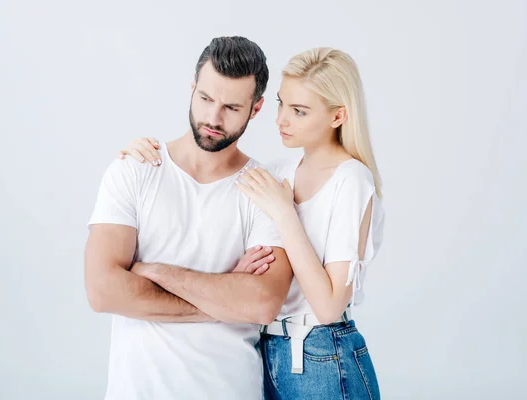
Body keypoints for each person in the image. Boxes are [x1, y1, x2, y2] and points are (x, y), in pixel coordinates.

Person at [119, 47, 385, 399]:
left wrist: (285, 214)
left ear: (338, 117)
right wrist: (145, 152)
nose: (281, 120)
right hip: (270, 352)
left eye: (299, 111)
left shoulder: (351, 180)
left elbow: (330, 305)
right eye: (281, 104)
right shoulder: (276, 173)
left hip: (325, 355)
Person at [85, 36, 293, 400]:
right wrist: (225, 298)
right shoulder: (135, 170)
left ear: (256, 109)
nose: (213, 118)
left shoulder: (264, 189)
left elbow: (262, 303)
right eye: (206, 99)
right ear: (192, 86)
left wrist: (157, 272)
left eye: (231, 107)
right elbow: (103, 291)